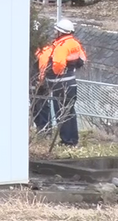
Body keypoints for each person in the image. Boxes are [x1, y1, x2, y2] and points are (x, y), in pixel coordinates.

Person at [34, 18, 87, 146]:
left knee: (61, 112)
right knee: (68, 112)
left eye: (56, 30)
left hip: (61, 84)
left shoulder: (61, 46)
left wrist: (54, 74)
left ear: (60, 32)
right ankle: (71, 140)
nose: (54, 32)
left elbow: (58, 64)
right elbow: (82, 59)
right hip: (70, 82)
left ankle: (68, 141)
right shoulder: (74, 43)